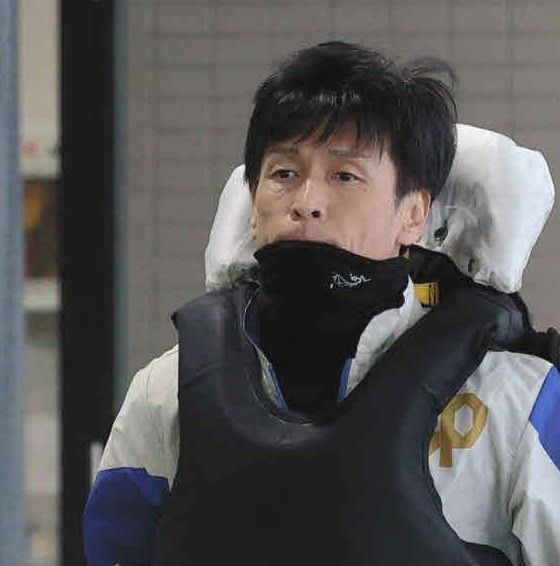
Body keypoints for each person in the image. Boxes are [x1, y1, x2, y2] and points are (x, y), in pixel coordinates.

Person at [83, 41, 560, 565]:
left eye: (345, 176)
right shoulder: (167, 393)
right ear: (252, 203)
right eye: (283, 174)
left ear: (413, 215)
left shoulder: (519, 401)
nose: (306, 202)